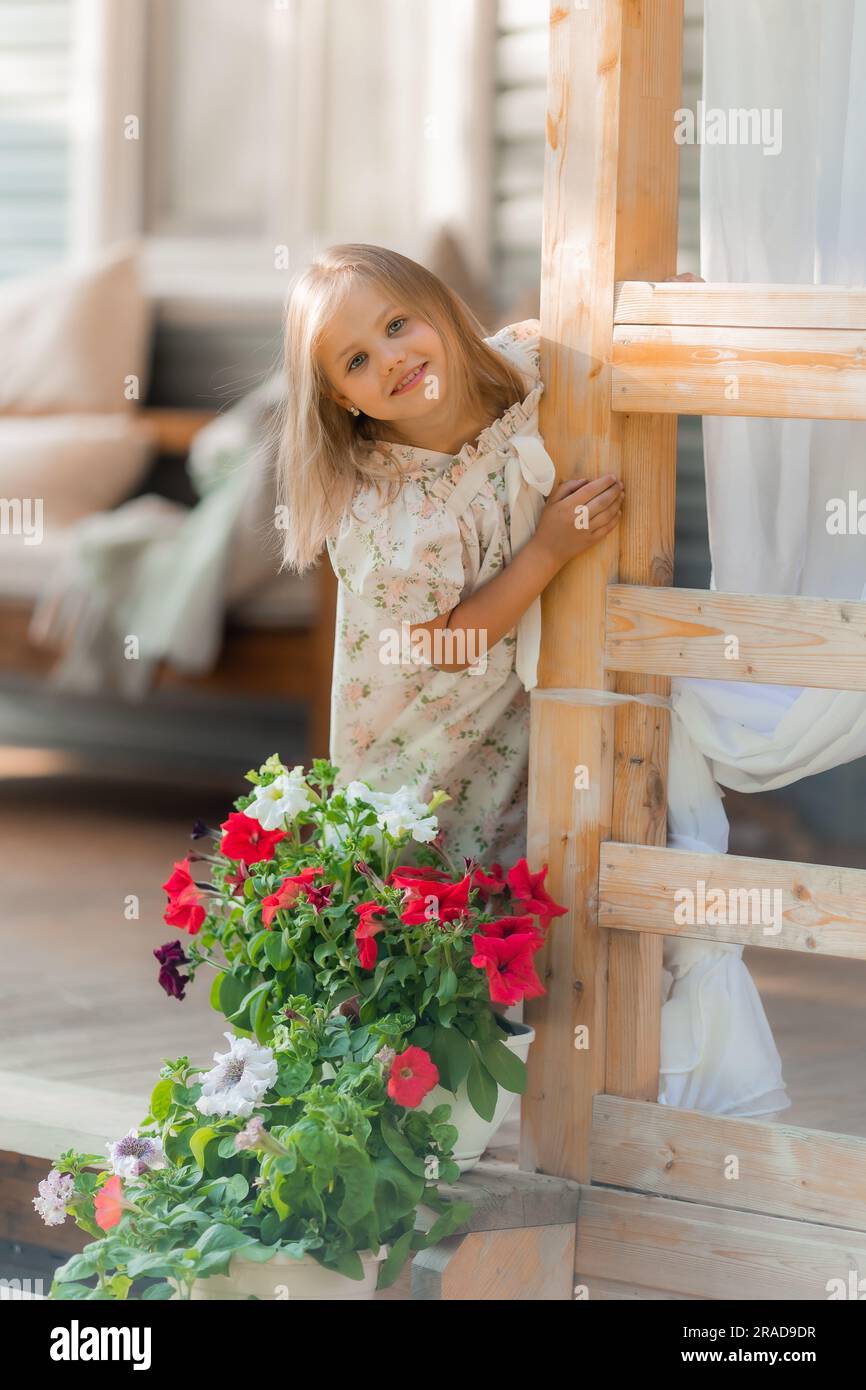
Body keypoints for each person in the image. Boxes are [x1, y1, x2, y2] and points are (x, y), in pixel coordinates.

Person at [275, 242, 627, 868]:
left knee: (533, 869)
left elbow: (606, 339)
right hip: (430, 736)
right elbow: (449, 645)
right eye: (357, 360)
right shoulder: (390, 517)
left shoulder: (522, 367)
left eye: (396, 324)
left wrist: (659, 308)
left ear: (436, 308)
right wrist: (548, 548)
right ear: (341, 398)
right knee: (437, 887)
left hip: (522, 703)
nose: (393, 358)